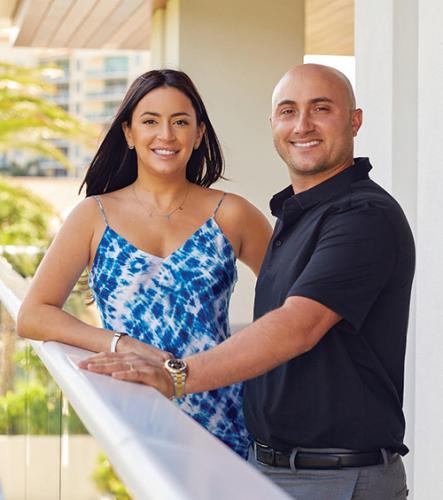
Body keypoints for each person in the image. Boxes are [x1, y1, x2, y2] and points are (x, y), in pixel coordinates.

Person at [77, 64, 415, 500]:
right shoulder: (299, 215)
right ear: (273, 124)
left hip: (334, 477)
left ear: (355, 121)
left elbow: (299, 325)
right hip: (266, 465)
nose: (302, 125)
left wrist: (178, 376)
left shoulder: (364, 216)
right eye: (288, 111)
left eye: (321, 109)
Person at [16, 69, 273, 459]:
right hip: (133, 417)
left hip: (223, 418)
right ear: (129, 134)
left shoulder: (231, 214)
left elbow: (291, 307)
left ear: (199, 134)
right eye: (150, 121)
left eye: (180, 122)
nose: (166, 136)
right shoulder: (93, 216)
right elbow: (32, 315)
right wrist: (120, 343)